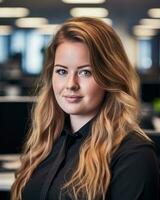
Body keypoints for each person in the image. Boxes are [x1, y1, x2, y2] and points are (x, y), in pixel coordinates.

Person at [11, 17, 159, 200]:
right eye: (62, 71)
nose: (71, 84)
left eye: (85, 72)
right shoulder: (46, 141)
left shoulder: (134, 155)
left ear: (109, 77)